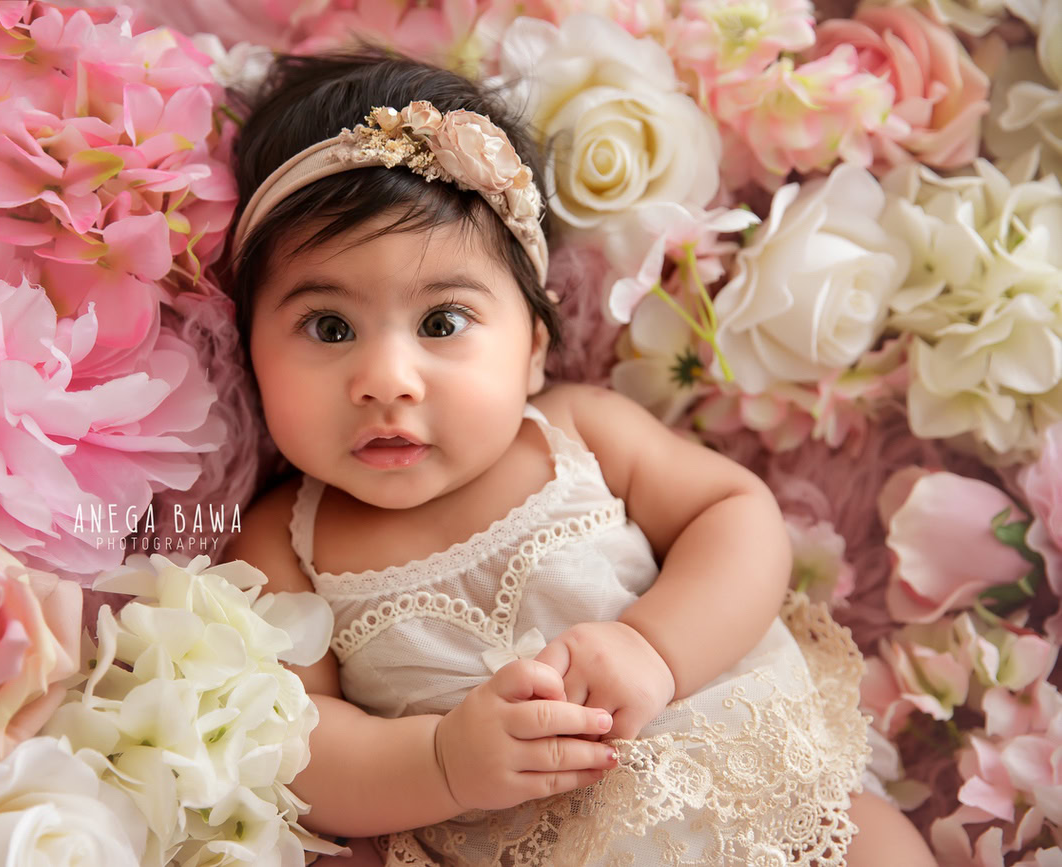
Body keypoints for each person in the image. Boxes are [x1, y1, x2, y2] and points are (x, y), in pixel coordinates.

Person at [221, 48, 937, 867]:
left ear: (532, 347)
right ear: (249, 351)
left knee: (880, 845)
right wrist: (442, 763)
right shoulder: (283, 541)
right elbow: (302, 743)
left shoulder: (575, 431)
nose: (387, 379)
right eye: (329, 327)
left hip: (748, 787)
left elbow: (734, 515)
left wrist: (654, 648)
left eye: (443, 322)